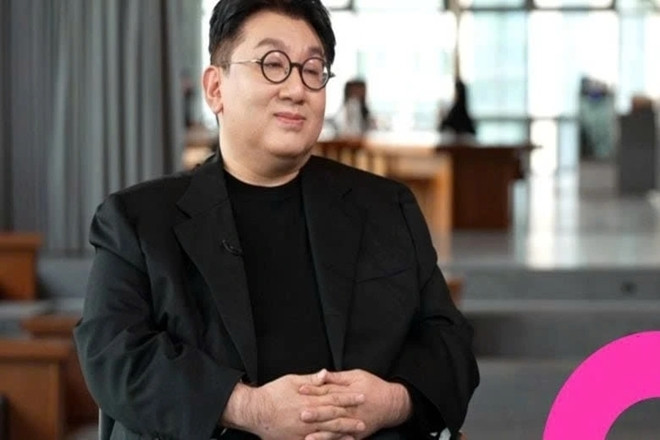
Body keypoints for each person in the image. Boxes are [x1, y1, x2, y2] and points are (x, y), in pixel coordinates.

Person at [74, 1, 479, 439]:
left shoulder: (386, 207)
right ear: (215, 88)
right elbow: (113, 356)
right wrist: (250, 409)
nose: (296, 88)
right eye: (272, 64)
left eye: (313, 69)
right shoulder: (137, 221)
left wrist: (392, 401)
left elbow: (451, 344)